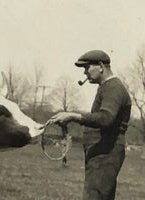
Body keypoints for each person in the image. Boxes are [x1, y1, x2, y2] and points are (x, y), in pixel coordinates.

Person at [49, 50, 131, 200]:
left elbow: (106, 118)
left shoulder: (113, 87)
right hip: (102, 151)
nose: (85, 73)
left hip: (106, 152)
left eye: (87, 68)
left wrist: (74, 116)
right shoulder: (106, 87)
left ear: (100, 66)